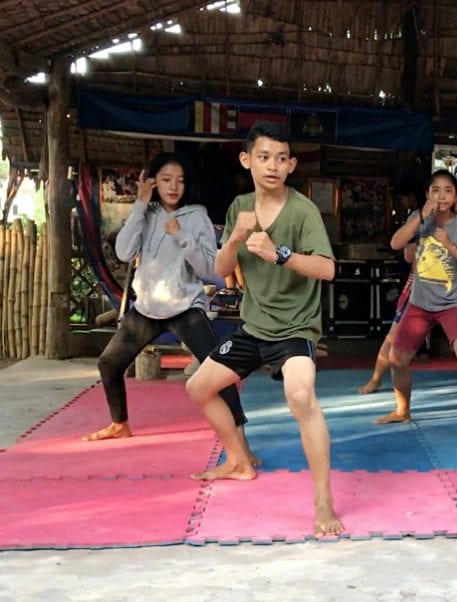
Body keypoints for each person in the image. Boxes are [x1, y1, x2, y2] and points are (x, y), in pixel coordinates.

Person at [185, 122, 343, 537]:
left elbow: (327, 269)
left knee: (301, 394)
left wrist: (281, 254)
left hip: (294, 329)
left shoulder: (303, 211)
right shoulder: (240, 207)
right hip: (253, 328)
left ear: (291, 165)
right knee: (198, 387)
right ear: (247, 160)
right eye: (263, 156)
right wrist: (234, 239)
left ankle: (323, 501)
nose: (272, 165)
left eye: (280, 158)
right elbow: (221, 271)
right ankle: (239, 461)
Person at [84, 153, 252, 458]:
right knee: (108, 363)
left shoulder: (197, 215)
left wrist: (182, 236)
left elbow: (210, 268)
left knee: (219, 372)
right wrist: (139, 204)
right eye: (165, 179)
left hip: (186, 307)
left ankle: (241, 441)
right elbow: (123, 253)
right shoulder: (144, 214)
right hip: (148, 308)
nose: (174, 186)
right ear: (152, 182)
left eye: (180, 180)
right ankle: (119, 424)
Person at [373, 169, 457, 450]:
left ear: (456, 196)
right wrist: (421, 216)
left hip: (453, 302)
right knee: (398, 359)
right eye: (435, 190)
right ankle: (402, 410)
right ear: (427, 195)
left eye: (447, 190)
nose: (441, 195)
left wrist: (450, 245)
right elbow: (396, 244)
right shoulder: (419, 219)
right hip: (420, 302)